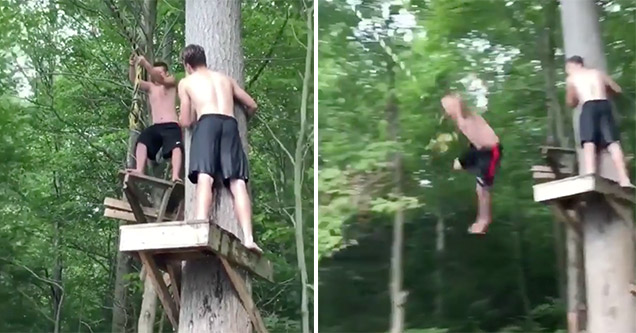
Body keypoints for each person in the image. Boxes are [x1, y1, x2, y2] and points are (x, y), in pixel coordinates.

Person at [177, 44, 261, 253]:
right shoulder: (226, 79)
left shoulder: (187, 82)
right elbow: (252, 105)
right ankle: (249, 238)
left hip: (207, 123)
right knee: (237, 182)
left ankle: (199, 226)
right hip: (230, 124)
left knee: (205, 177)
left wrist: (184, 114)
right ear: (204, 60)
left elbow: (186, 120)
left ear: (188, 65)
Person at [565, 55, 632, 187]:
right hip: (605, 105)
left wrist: (574, 98)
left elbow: (570, 101)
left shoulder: (572, 78)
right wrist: (604, 90)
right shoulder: (598, 73)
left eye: (569, 67)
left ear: (577, 65)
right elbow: (617, 90)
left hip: (588, 106)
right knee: (613, 142)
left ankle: (590, 175)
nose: (568, 70)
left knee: (589, 142)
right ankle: (624, 179)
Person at [441, 93, 502, 235]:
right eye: (445, 107)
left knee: (482, 189)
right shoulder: (458, 120)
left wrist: (456, 103)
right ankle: (474, 170)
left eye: (448, 106)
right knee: (457, 165)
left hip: (491, 151)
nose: (447, 110)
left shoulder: (468, 115)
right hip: (476, 150)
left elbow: (463, 107)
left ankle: (484, 220)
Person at [127, 54, 183, 182]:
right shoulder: (151, 87)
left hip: (171, 125)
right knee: (142, 140)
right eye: (154, 72)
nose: (156, 75)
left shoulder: (171, 82)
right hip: (156, 126)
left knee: (176, 147)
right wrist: (132, 65)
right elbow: (134, 80)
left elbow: (161, 79)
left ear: (166, 73)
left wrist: (146, 64)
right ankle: (139, 169)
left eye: (159, 72)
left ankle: (175, 176)